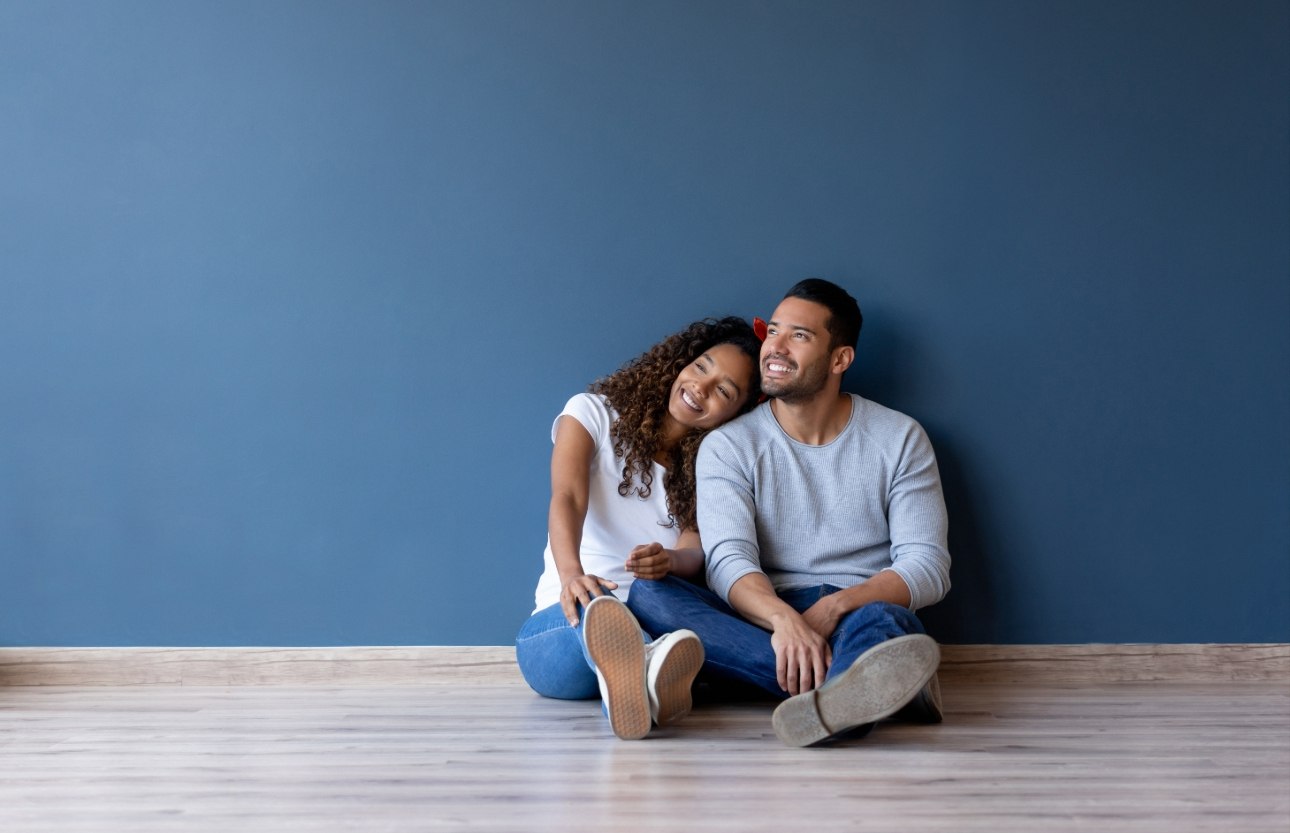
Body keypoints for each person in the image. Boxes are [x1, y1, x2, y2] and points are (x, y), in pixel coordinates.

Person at [627, 279, 951, 747]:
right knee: (650, 596)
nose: (774, 347)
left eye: (799, 335)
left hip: (857, 607)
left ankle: (841, 683)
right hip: (762, 614)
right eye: (773, 330)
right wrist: (785, 622)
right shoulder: (728, 446)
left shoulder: (900, 438)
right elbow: (729, 561)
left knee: (884, 622)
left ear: (840, 359)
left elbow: (927, 566)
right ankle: (854, 688)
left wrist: (833, 607)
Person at [516, 317, 763, 740]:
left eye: (724, 390)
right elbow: (567, 497)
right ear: (682, 362)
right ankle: (642, 668)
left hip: (655, 620)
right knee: (596, 613)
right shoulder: (591, 411)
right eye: (702, 367)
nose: (701, 387)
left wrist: (670, 560)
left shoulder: (714, 466)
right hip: (566, 622)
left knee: (654, 624)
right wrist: (571, 574)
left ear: (737, 413)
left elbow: (694, 549)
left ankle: (640, 674)